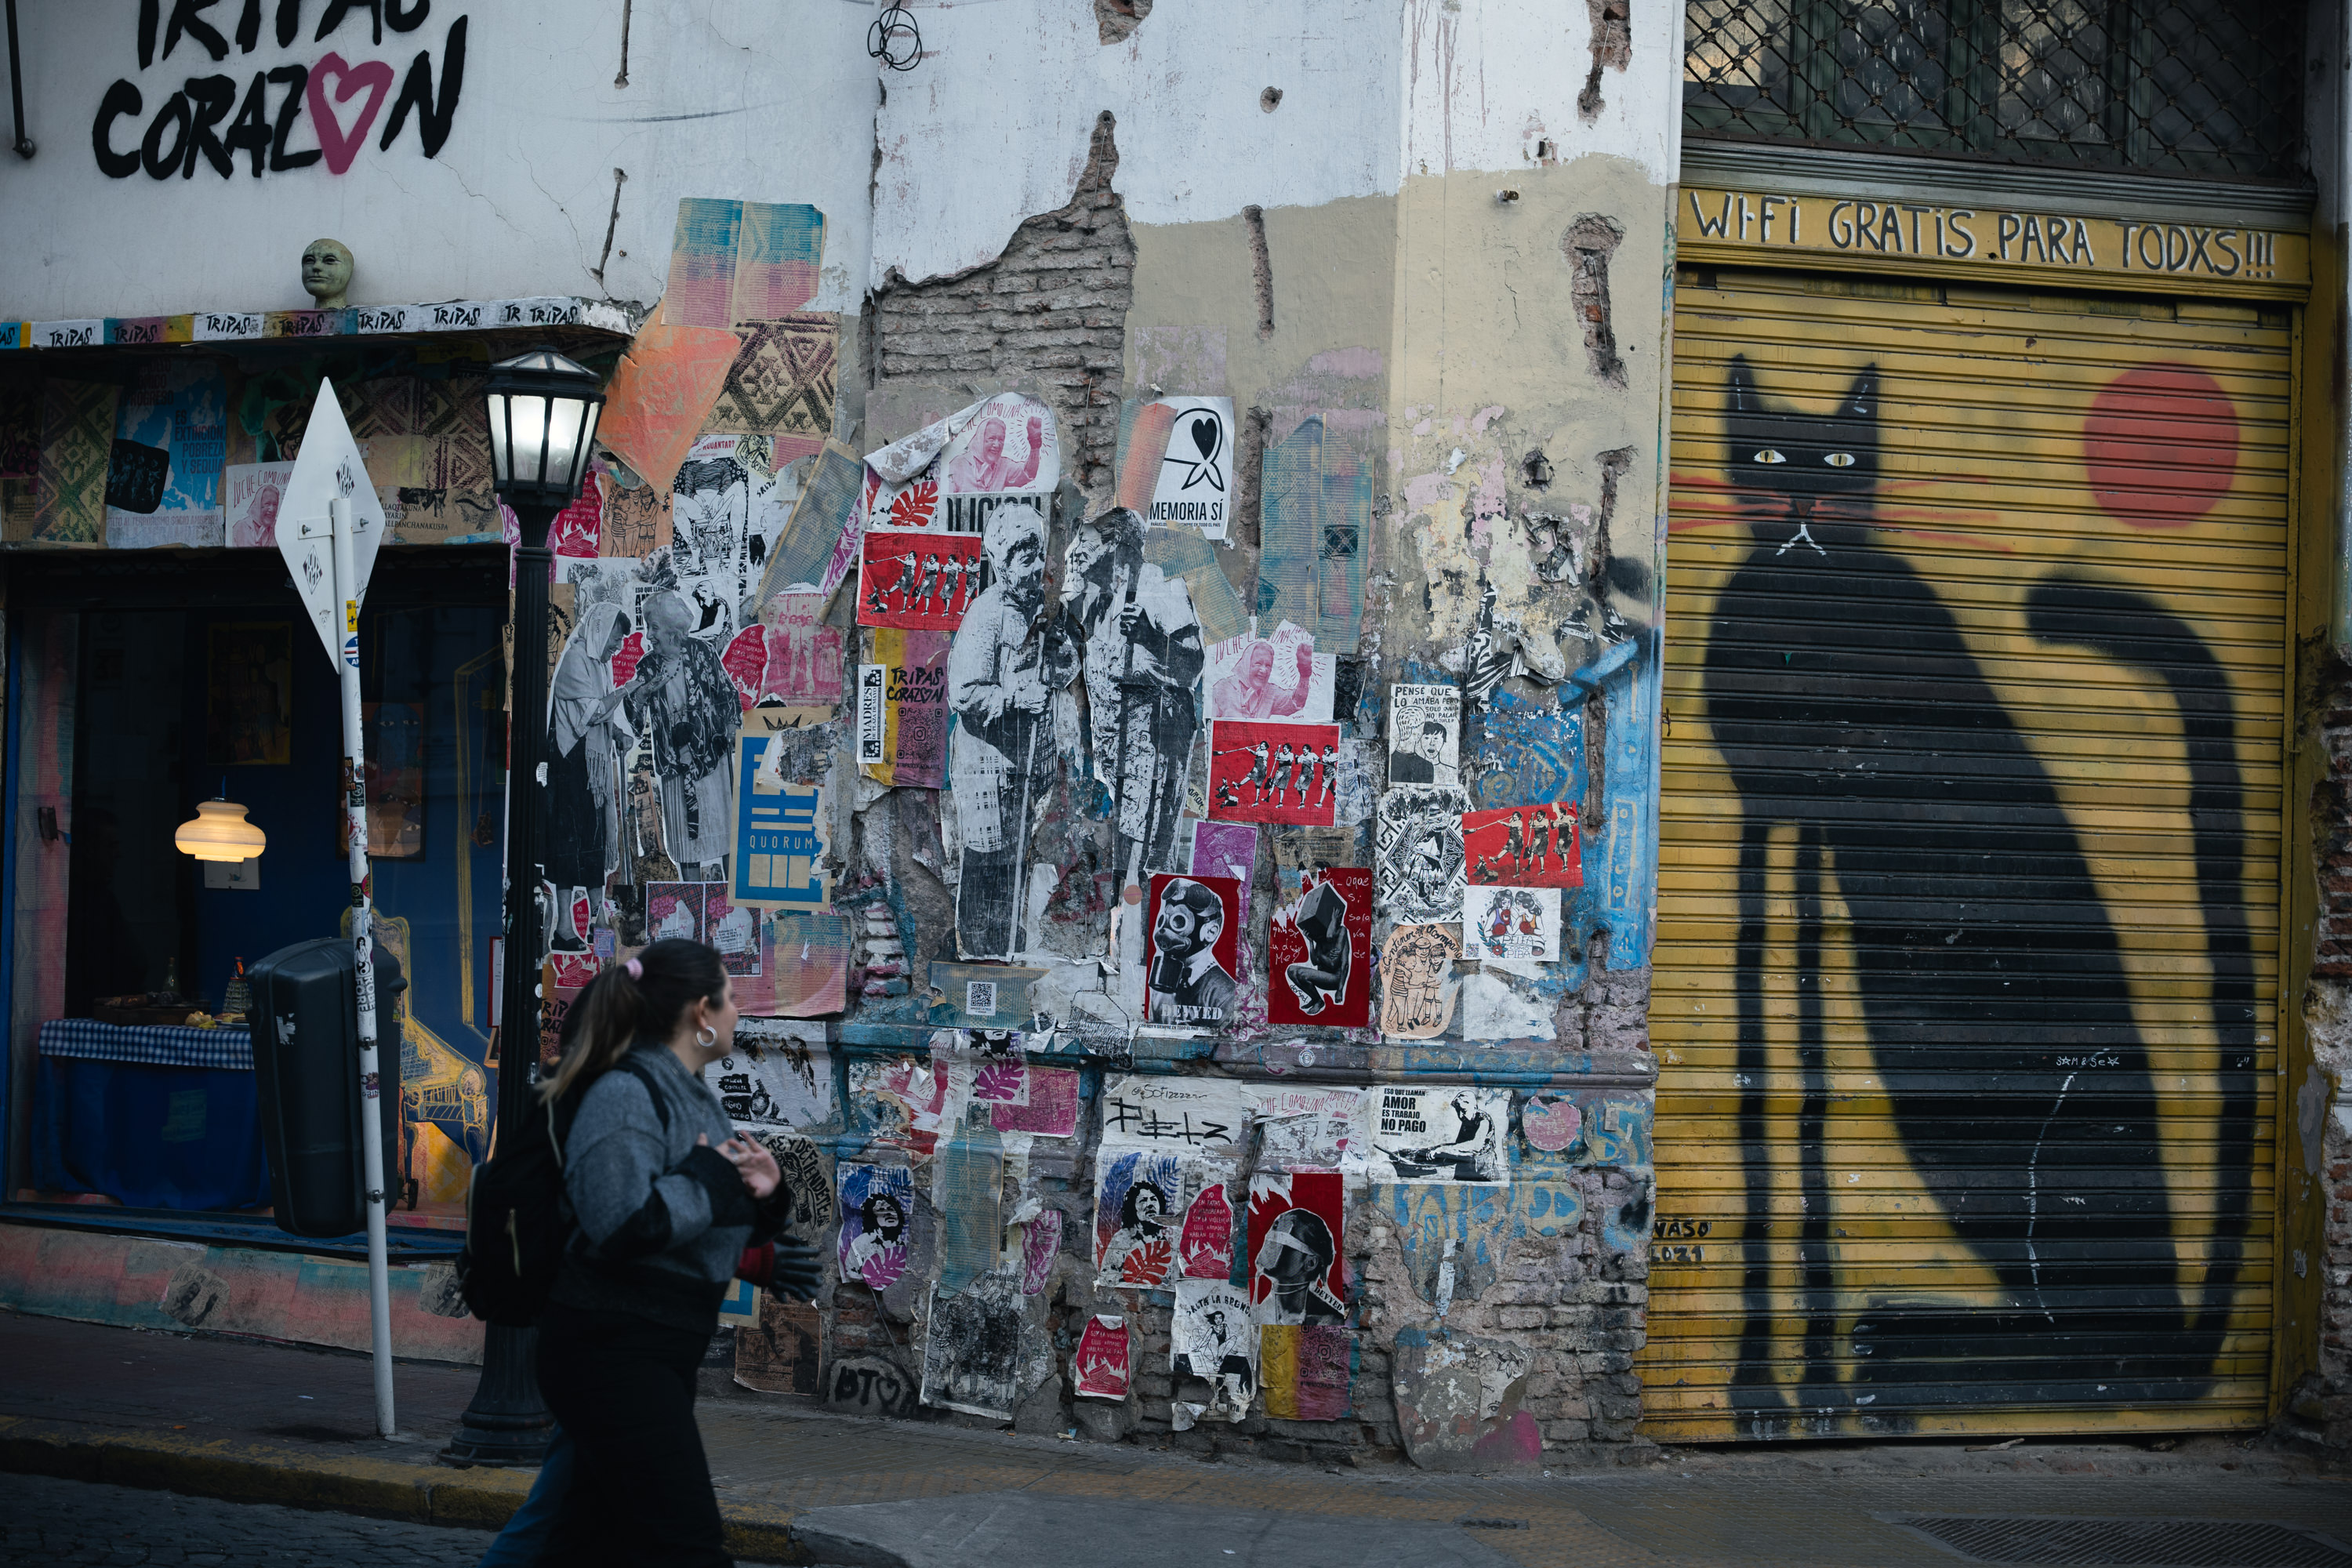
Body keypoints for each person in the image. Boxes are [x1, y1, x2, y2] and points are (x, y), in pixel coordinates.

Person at [478, 942, 817, 1568]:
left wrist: (765, 1197)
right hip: (611, 1349)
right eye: (732, 998)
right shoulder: (626, 1094)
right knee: (685, 1543)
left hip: (656, 1348)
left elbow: (704, 1211)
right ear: (700, 1012)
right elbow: (623, 1223)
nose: (740, 1012)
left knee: (577, 1537)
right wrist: (713, 1177)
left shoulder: (693, 1095)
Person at [946, 503, 1080, 958]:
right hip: (987, 765)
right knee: (986, 864)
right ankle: (980, 953)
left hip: (1026, 767)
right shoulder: (986, 615)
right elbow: (962, 692)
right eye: (1023, 557)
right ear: (1000, 563)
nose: (1035, 566)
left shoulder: (1040, 612)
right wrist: (1011, 698)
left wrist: (1062, 657)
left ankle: (1008, 949)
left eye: (1037, 555)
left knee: (1017, 862)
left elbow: (1059, 671)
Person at [1063, 506, 1203, 889]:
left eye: (1089, 543)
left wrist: (1150, 637)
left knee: (1142, 869)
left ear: (1119, 550)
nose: (1078, 553)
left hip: (1152, 745)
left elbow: (1192, 665)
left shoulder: (1160, 587)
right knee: (1120, 863)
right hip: (1113, 748)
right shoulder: (1093, 600)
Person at [625, 592, 739, 877]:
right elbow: (634, 715)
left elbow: (727, 694)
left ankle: (733, 901)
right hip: (675, 762)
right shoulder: (648, 667)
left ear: (673, 629)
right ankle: (694, 898)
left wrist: (732, 727)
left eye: (654, 627)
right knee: (686, 844)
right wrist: (642, 695)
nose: (649, 634)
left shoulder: (702, 652)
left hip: (711, 757)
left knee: (723, 833)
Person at [546, 604, 637, 952]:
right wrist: (628, 689)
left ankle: (598, 924)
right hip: (570, 765)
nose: (616, 648)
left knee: (593, 843)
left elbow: (601, 713)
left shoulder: (598, 663)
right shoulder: (574, 660)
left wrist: (617, 734)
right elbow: (593, 710)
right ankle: (565, 929)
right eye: (615, 640)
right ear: (601, 630)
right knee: (570, 845)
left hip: (591, 765)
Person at [1146, 877, 1237, 1025]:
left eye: (1179, 922)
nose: (1165, 930)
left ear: (1210, 932)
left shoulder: (1225, 995)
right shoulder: (1160, 988)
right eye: (1164, 920)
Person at [1252, 1208, 1345, 1325]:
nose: (1271, 1246)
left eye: (1283, 1240)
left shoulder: (1329, 1322)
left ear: (1310, 1263)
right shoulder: (1258, 1313)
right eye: (1272, 1235)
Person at [1281, 874, 1352, 1016]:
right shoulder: (1320, 934)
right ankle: (1316, 999)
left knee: (1301, 973)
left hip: (1335, 979)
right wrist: (1311, 942)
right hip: (1323, 976)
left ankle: (1319, 1001)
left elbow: (1337, 964)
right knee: (1291, 970)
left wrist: (1340, 990)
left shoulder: (1342, 932)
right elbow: (1314, 962)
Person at [1099, 1176, 1171, 1284]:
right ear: (1133, 1207)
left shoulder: (1164, 1237)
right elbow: (1108, 1278)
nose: (1150, 1204)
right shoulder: (1123, 1238)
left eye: (1153, 1199)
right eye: (1143, 1200)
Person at [1388, 720, 1451, 784]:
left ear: (1444, 741)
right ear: (1420, 739)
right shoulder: (1412, 768)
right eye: (1427, 738)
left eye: (1436, 738)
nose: (1432, 743)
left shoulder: (1450, 771)